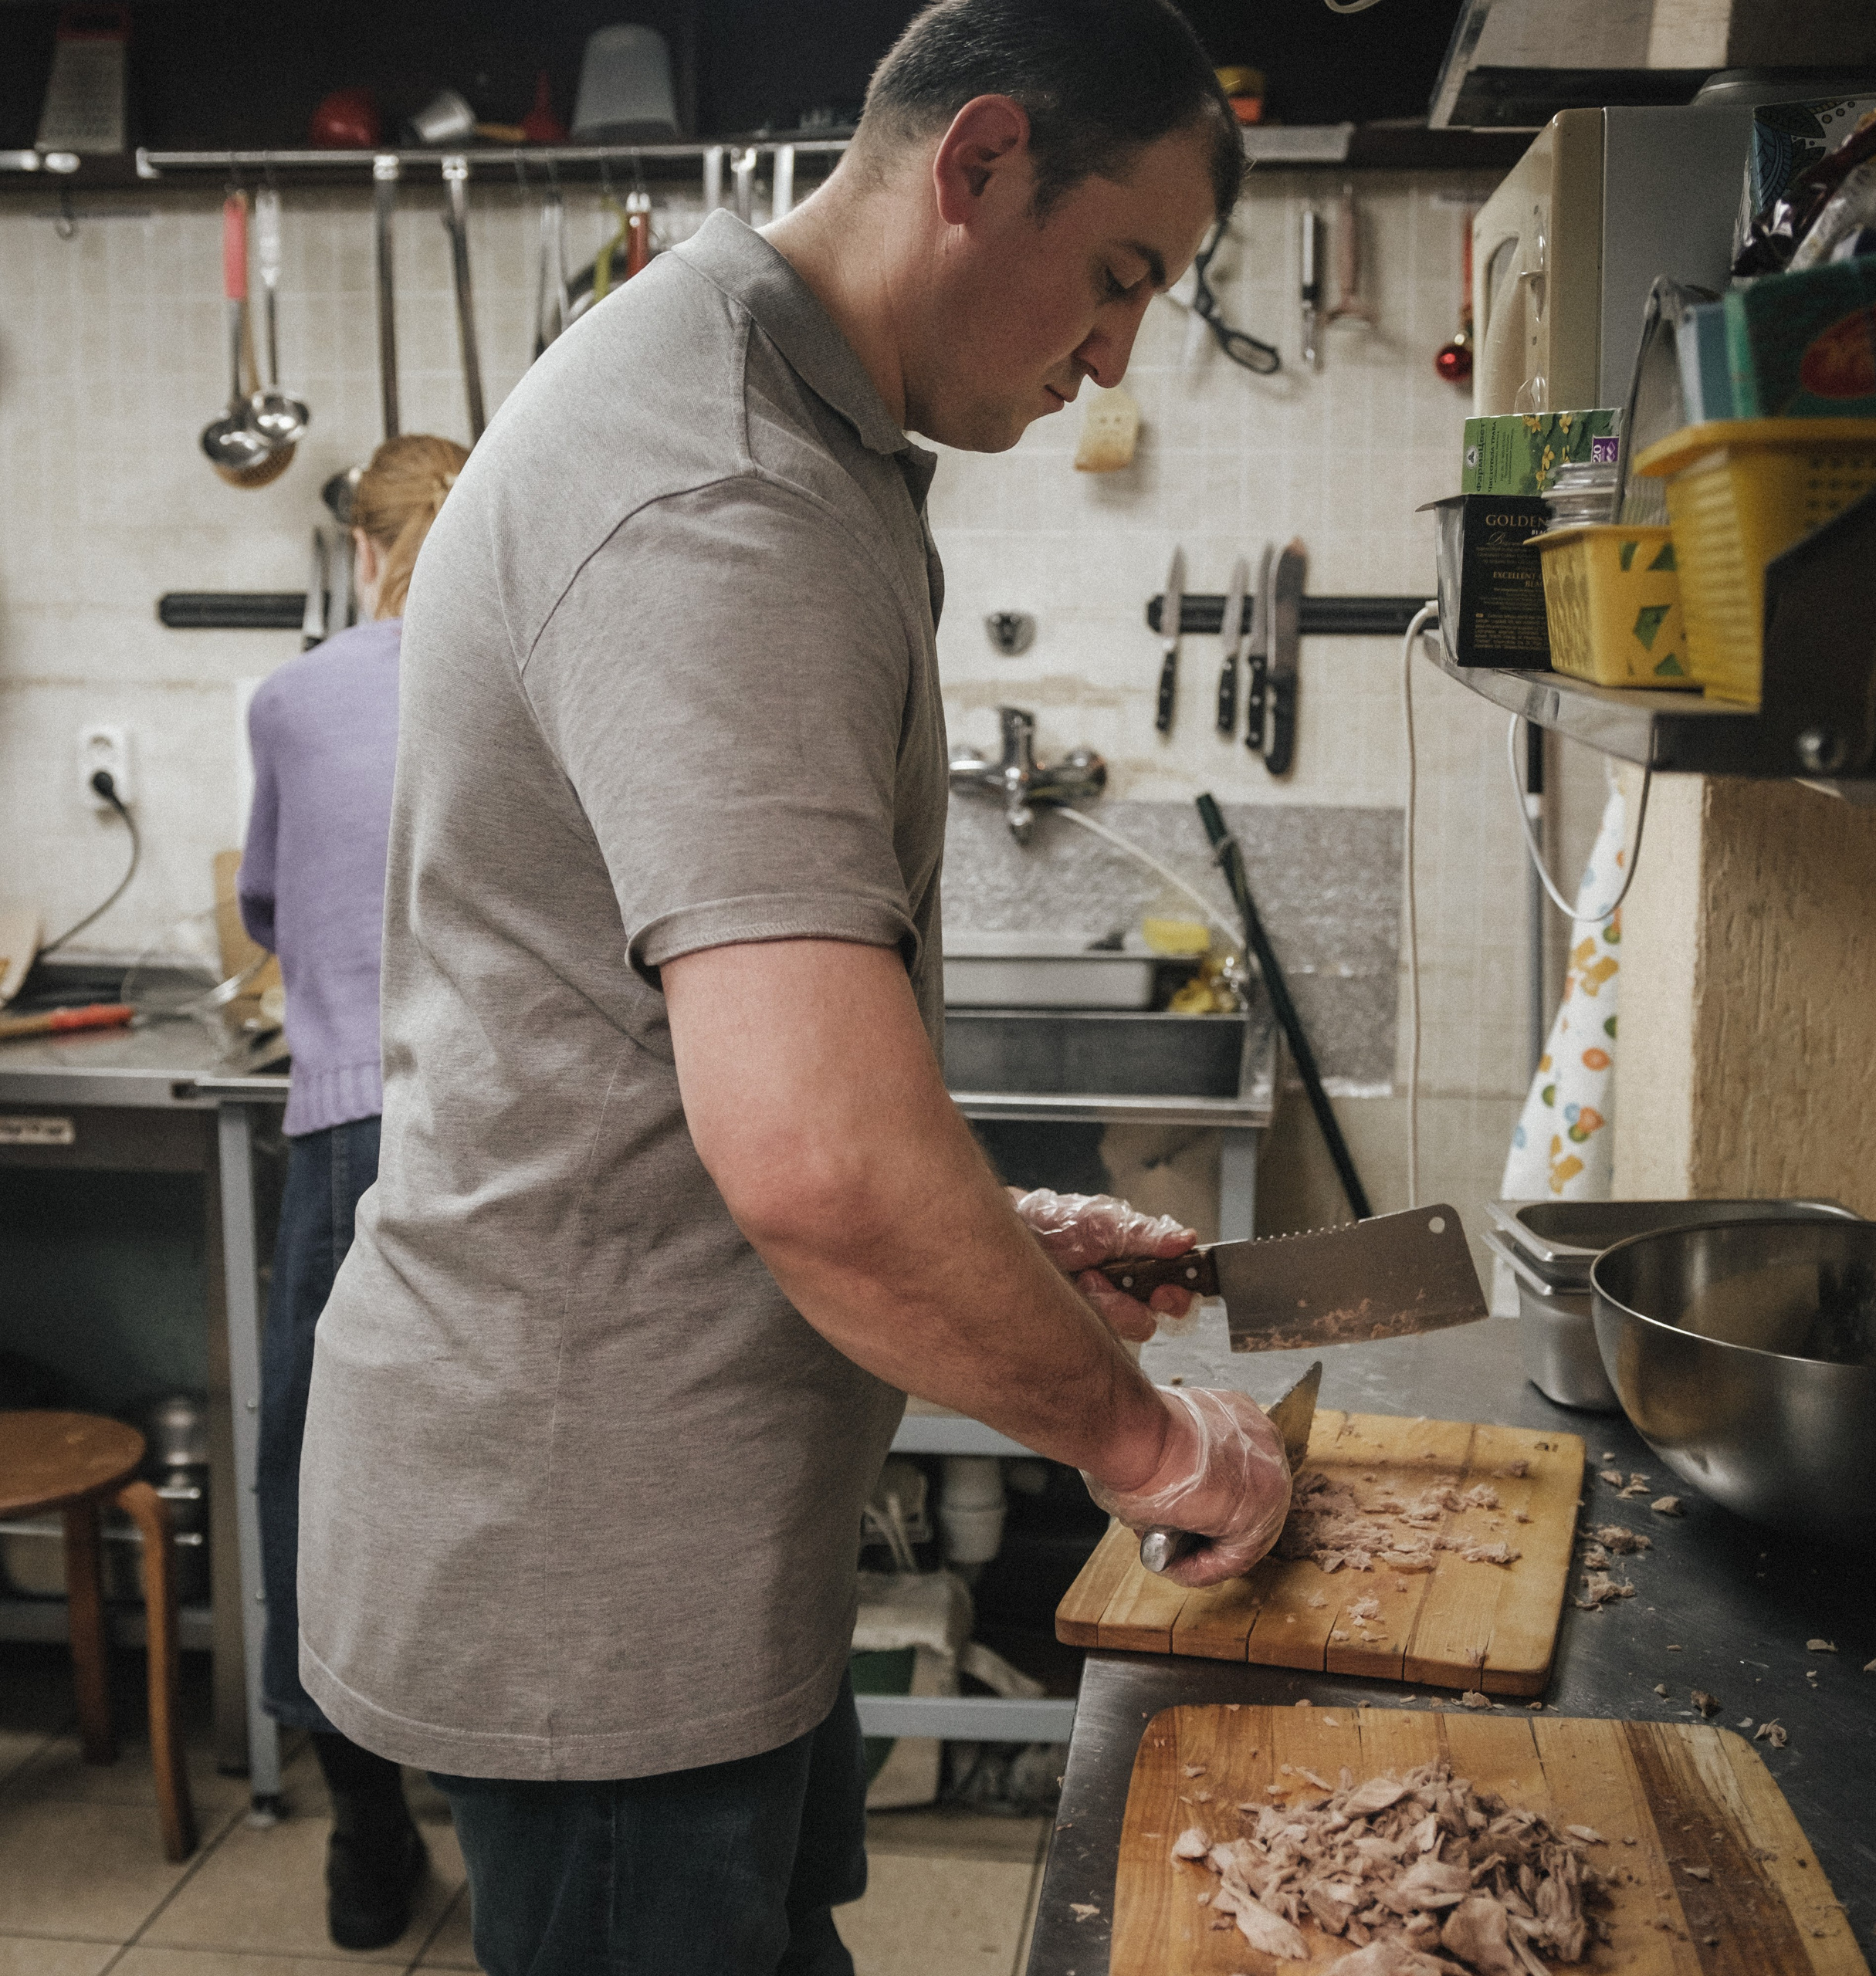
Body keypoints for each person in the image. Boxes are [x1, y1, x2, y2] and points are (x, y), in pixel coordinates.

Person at [296, 4, 1293, 1971]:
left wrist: (985, 1246)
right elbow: (818, 1162)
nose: (1115, 354)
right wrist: (1144, 1441)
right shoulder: (720, 490)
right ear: (976, 161)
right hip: (598, 1549)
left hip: (687, 1510)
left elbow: (677, 1067)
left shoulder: (786, 412)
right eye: (1114, 277)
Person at [236, 434, 469, 1952]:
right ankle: (519, 1827)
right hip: (500, 1135)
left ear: (364, 553)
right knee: (492, 1474)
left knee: (312, 1475)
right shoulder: (523, 670)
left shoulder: (292, 696)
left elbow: (263, 908)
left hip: (344, 1131)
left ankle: (365, 1843)